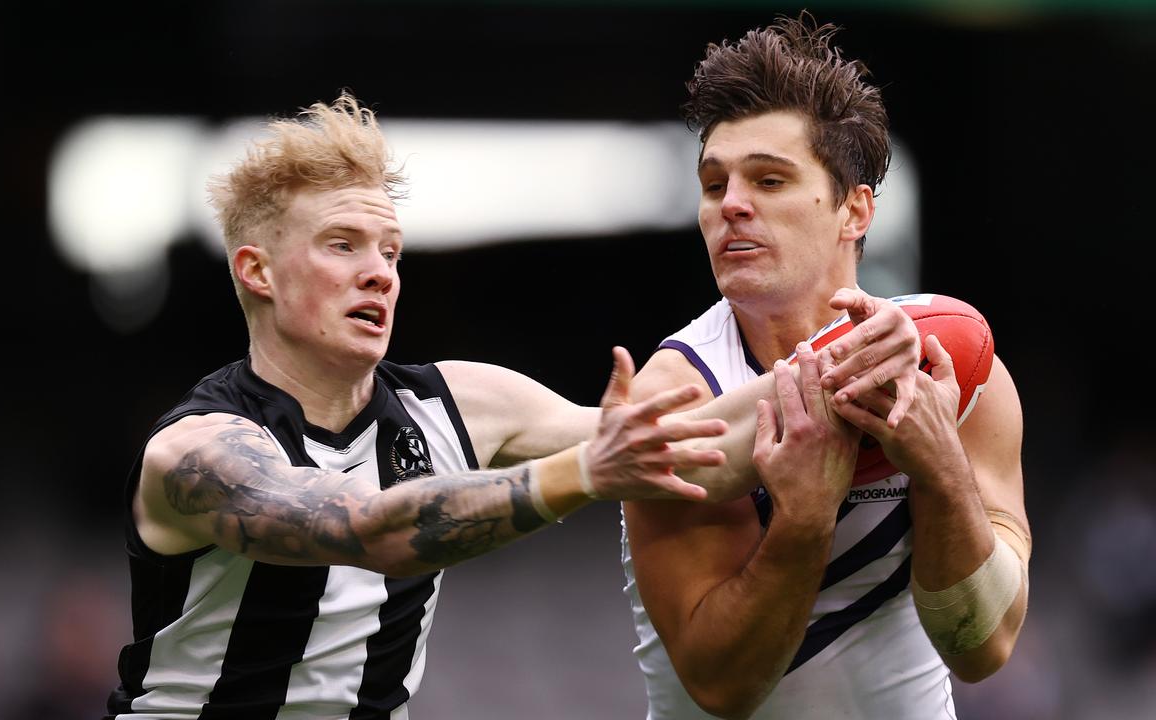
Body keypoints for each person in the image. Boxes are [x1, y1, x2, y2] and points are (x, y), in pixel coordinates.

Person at [104, 92, 923, 719]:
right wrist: (587, 472)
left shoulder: (461, 400)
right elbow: (371, 530)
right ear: (257, 272)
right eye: (342, 246)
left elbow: (681, 445)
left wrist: (863, 357)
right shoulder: (197, 454)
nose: (381, 272)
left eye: (391, 250)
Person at [621, 12, 1032, 720]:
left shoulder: (959, 372)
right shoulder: (678, 392)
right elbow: (721, 685)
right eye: (714, 185)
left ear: (855, 208)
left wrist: (937, 467)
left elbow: (983, 648)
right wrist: (806, 515)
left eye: (770, 180)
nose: (733, 207)